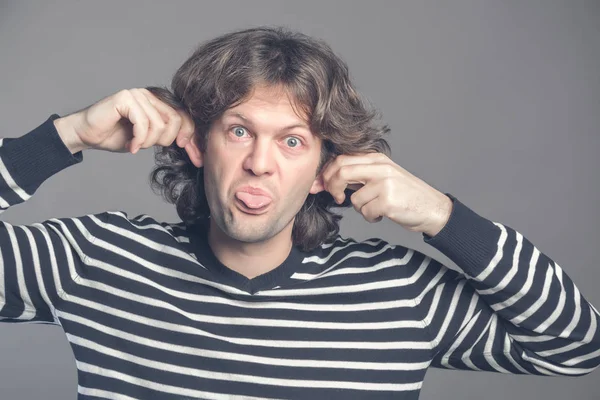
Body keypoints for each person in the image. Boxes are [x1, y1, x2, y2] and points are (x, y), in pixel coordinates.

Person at [1, 26, 599, 400]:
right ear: (197, 145)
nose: (260, 163)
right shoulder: (97, 259)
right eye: (238, 131)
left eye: (292, 140)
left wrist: (445, 216)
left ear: (323, 169)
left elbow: (578, 349)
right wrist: (64, 136)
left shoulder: (400, 292)